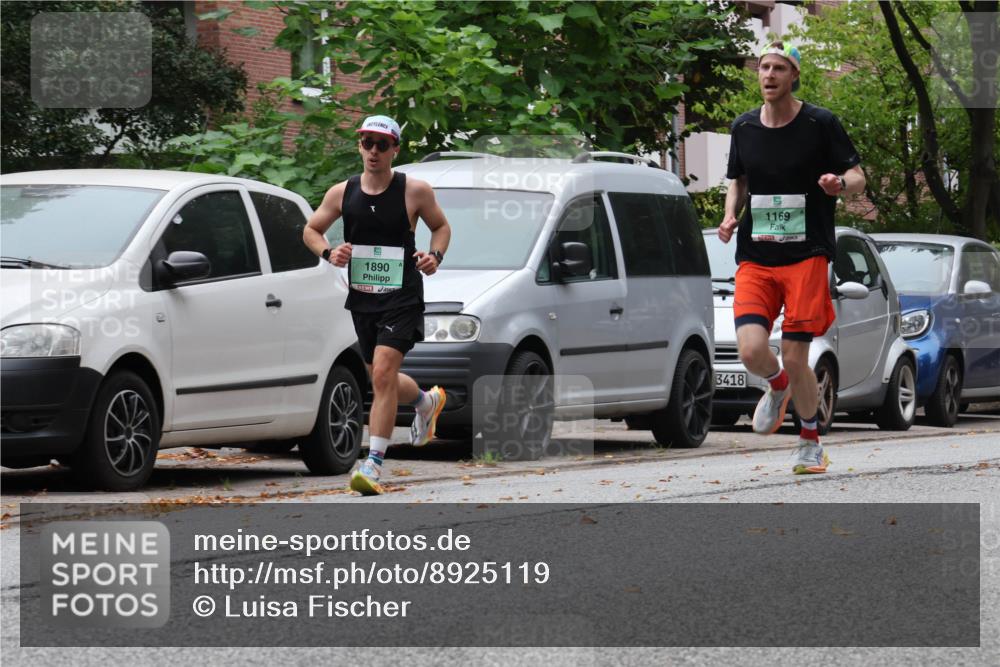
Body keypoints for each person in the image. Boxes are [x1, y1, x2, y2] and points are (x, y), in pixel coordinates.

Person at [718, 42, 865, 474]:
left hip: (806, 256)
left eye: (779, 68)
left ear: (793, 76)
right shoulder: (743, 127)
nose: (769, 75)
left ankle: (809, 442)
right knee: (750, 351)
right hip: (757, 256)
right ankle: (777, 385)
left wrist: (839, 182)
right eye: (763, 67)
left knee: (799, 357)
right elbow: (738, 181)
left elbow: (858, 177)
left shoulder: (820, 123)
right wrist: (729, 215)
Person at [303, 115, 452, 495]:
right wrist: (329, 252)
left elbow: (441, 226)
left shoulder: (414, 190)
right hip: (363, 297)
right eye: (367, 142)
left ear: (395, 150)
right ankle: (425, 400)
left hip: (402, 295)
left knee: (383, 373)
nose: (373, 151)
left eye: (382, 144)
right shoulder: (343, 192)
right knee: (379, 378)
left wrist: (434, 256)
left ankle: (373, 464)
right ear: (360, 146)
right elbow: (310, 229)